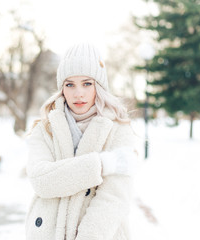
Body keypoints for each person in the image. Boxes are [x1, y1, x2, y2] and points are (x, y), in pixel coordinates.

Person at [25, 42, 138, 240]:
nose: (78, 93)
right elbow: (41, 181)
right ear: (62, 88)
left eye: (87, 83)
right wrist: (102, 165)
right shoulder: (44, 128)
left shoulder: (119, 128)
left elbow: (113, 199)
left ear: (99, 86)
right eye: (70, 84)